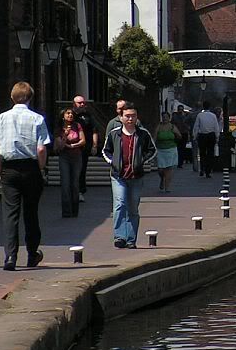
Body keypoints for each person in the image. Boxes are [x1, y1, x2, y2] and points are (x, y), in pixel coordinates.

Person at [0, 81, 51, 271]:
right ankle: (32, 254)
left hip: (9, 169)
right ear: (30, 97)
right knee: (31, 213)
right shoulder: (37, 119)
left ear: (12, 97)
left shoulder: (1, 118)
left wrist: (0, 172)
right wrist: (40, 168)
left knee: (10, 214)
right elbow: (41, 148)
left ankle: (10, 257)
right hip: (31, 168)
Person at [102, 102, 156, 249]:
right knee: (119, 204)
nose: (130, 119)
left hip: (136, 176)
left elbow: (152, 150)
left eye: (133, 116)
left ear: (137, 117)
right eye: (127, 116)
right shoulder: (115, 134)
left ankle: (131, 239)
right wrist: (113, 162)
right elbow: (106, 150)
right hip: (118, 175)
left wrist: (141, 160)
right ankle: (120, 237)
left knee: (133, 208)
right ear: (121, 117)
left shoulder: (143, 134)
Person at [54, 107, 85, 217]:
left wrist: (73, 145)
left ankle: (75, 210)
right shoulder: (59, 129)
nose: (70, 115)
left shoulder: (77, 126)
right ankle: (66, 211)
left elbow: (83, 141)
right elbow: (60, 146)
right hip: (64, 157)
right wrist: (65, 135)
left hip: (76, 157)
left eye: (71, 113)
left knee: (75, 183)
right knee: (66, 183)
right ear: (63, 116)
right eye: (67, 113)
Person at [72, 95, 97, 203]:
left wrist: (94, 145)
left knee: (82, 170)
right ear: (74, 104)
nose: (82, 104)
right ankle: (71, 191)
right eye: (79, 103)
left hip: (83, 148)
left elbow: (94, 130)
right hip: (70, 149)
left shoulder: (88, 116)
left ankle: (80, 191)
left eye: (83, 103)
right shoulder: (69, 115)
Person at [154, 112, 181, 192]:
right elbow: (154, 138)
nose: (165, 118)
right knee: (160, 169)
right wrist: (153, 147)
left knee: (169, 168)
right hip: (160, 150)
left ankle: (167, 187)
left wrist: (176, 134)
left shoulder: (172, 127)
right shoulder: (159, 127)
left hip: (171, 149)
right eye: (163, 117)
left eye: (166, 117)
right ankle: (162, 178)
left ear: (169, 118)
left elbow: (179, 136)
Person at [192, 102, 220, 178]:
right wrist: (217, 137)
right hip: (211, 135)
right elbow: (216, 127)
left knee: (202, 153)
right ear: (209, 107)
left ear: (203, 107)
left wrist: (194, 136)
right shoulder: (213, 116)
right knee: (210, 153)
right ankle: (208, 171)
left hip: (202, 136)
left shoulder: (200, 115)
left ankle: (202, 169)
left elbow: (196, 126)